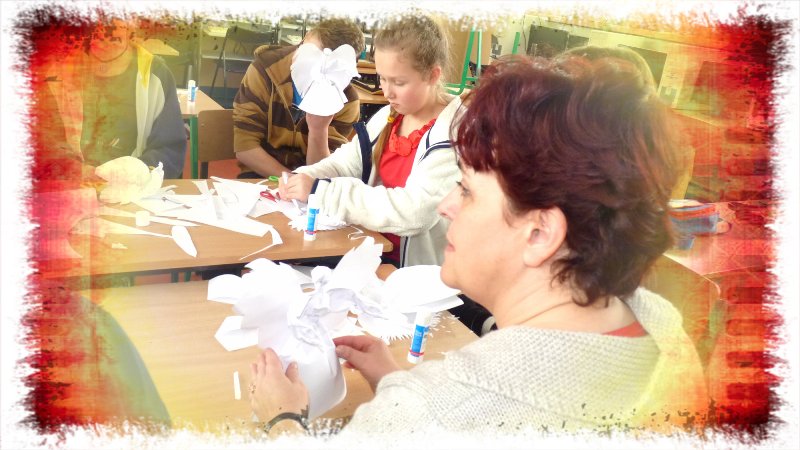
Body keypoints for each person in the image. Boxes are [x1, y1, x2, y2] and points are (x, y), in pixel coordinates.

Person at [249, 54, 709, 439]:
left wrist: (282, 420)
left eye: (466, 190)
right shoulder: (663, 329)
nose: (446, 205)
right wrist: (396, 386)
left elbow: (456, 414)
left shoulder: (434, 410)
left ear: (540, 234)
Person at [279, 15, 461, 268]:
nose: (387, 92)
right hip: (370, 250)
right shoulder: (390, 117)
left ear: (433, 75)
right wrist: (305, 177)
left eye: (399, 82)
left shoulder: (455, 133)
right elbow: (346, 163)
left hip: (411, 271)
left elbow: (414, 212)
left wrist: (321, 191)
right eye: (382, 79)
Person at [42, 18, 186, 179]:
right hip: (71, 187)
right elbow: (42, 147)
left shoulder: (156, 75)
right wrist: (74, 170)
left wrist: (136, 172)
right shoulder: (57, 74)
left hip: (134, 189)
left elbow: (169, 151)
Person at [233, 18, 365, 178]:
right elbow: (245, 147)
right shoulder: (265, 70)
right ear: (305, 39)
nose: (315, 70)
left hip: (309, 181)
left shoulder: (346, 100)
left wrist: (319, 130)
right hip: (260, 175)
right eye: (310, 56)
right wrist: (291, 181)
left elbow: (325, 172)